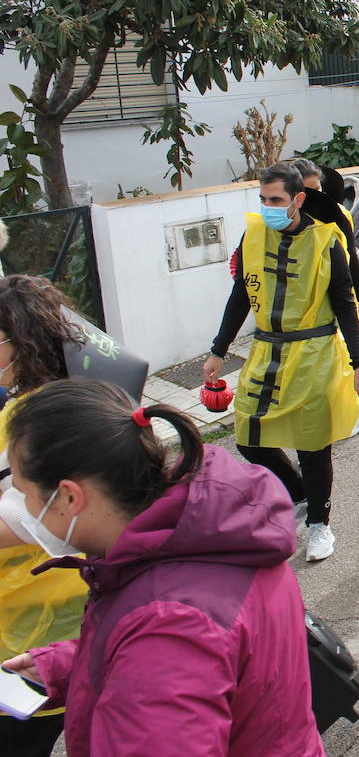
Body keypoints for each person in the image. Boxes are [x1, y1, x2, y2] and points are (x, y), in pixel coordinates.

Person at [0, 381, 323, 756]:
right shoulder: (211, 527)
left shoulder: (169, 624)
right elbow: (178, 664)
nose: (15, 507)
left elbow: (164, 658)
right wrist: (63, 665)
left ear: (70, 496)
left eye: (22, 493)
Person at [207, 162, 359, 563]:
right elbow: (241, 295)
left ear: (298, 199)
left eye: (276, 199)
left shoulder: (326, 239)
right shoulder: (254, 235)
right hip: (266, 351)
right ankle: (300, 495)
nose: (267, 207)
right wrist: (218, 349)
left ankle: (319, 523)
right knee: (249, 436)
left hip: (315, 353)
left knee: (312, 445)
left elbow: (343, 303)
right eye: (263, 199)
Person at [0, 276, 91, 757]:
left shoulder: (36, 417)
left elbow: (36, 516)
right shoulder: (60, 398)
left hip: (36, 612)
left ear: (21, 340)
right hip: (52, 603)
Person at [290, 157, 359, 328]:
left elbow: (351, 256)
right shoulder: (286, 219)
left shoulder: (337, 214)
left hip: (340, 295)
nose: (315, 196)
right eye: (308, 191)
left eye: (317, 189)